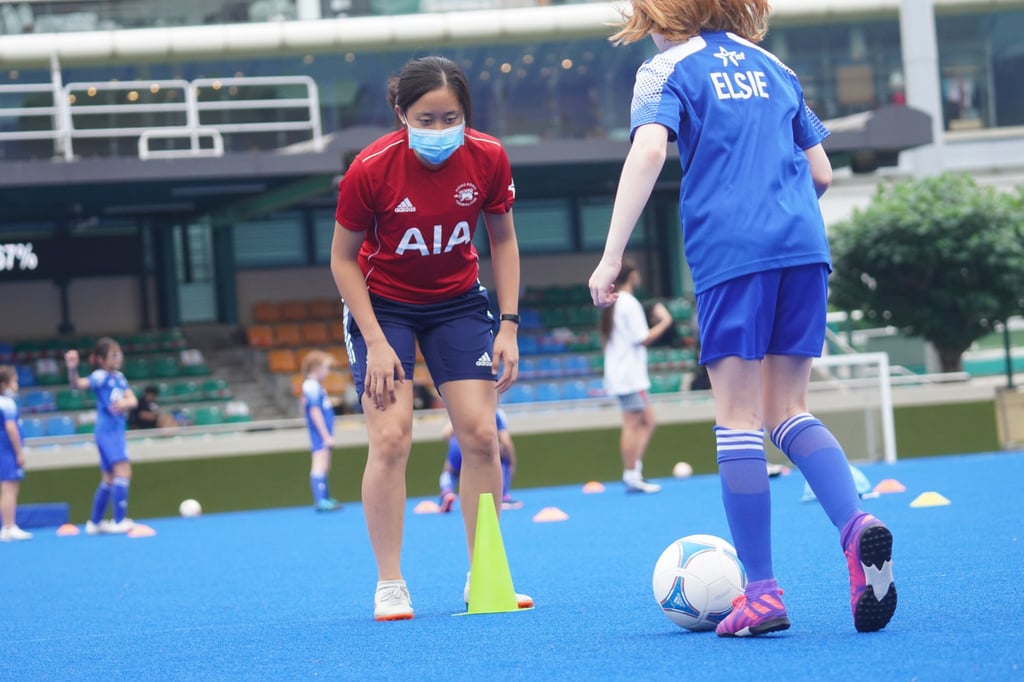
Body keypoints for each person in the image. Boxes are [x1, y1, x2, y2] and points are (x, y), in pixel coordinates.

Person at [588, 0, 896, 637]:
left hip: (732, 252)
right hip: (805, 246)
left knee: (738, 419)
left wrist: (612, 254)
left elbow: (648, 153)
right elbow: (822, 172)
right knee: (788, 409)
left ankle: (761, 592)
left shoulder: (666, 69)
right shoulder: (776, 66)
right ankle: (856, 525)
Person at [330, 55, 532, 621]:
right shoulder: (370, 169)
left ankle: (484, 573)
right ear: (401, 114)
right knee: (392, 438)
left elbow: (504, 242)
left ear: (466, 114)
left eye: (451, 118)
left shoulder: (488, 157)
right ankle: (390, 582)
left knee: (481, 435)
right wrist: (374, 340)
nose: (440, 130)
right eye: (426, 118)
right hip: (383, 307)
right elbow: (342, 261)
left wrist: (510, 325)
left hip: (458, 304)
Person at [598, 261, 673, 494]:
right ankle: (631, 474)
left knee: (647, 421)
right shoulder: (628, 303)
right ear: (631, 276)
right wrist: (665, 321)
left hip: (624, 374)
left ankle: (634, 471)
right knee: (633, 424)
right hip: (629, 376)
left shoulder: (617, 303)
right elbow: (642, 338)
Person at [65, 338, 138, 535]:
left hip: (115, 430)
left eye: (119, 354)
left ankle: (95, 522)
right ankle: (119, 520)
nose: (118, 359)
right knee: (123, 471)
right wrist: (72, 369)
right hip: (108, 431)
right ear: (100, 359)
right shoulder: (100, 376)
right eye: (113, 355)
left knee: (108, 478)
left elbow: (133, 399)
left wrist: (126, 403)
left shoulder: (119, 377)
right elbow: (78, 384)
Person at [438, 407, 520, 513]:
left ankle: (447, 491)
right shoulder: (496, 412)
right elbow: (506, 442)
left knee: (450, 471)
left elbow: (445, 433)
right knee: (503, 460)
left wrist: (455, 444)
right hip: (480, 445)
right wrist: (512, 461)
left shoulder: (464, 408)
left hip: (458, 443)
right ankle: (502, 496)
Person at [300, 350, 342, 512]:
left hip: (324, 430)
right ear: (315, 367)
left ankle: (325, 497)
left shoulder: (315, 386)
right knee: (319, 463)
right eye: (325, 368)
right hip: (320, 432)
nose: (327, 372)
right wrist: (326, 435)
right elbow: (315, 411)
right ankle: (320, 500)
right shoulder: (311, 386)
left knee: (325, 464)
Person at [0, 365, 31, 542]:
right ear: (4, 384)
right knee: (9, 488)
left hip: (4, 448)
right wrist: (19, 452)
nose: (17, 384)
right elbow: (11, 428)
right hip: (7, 449)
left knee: (9, 487)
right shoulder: (7, 403)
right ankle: (8, 526)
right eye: (14, 381)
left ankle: (8, 526)